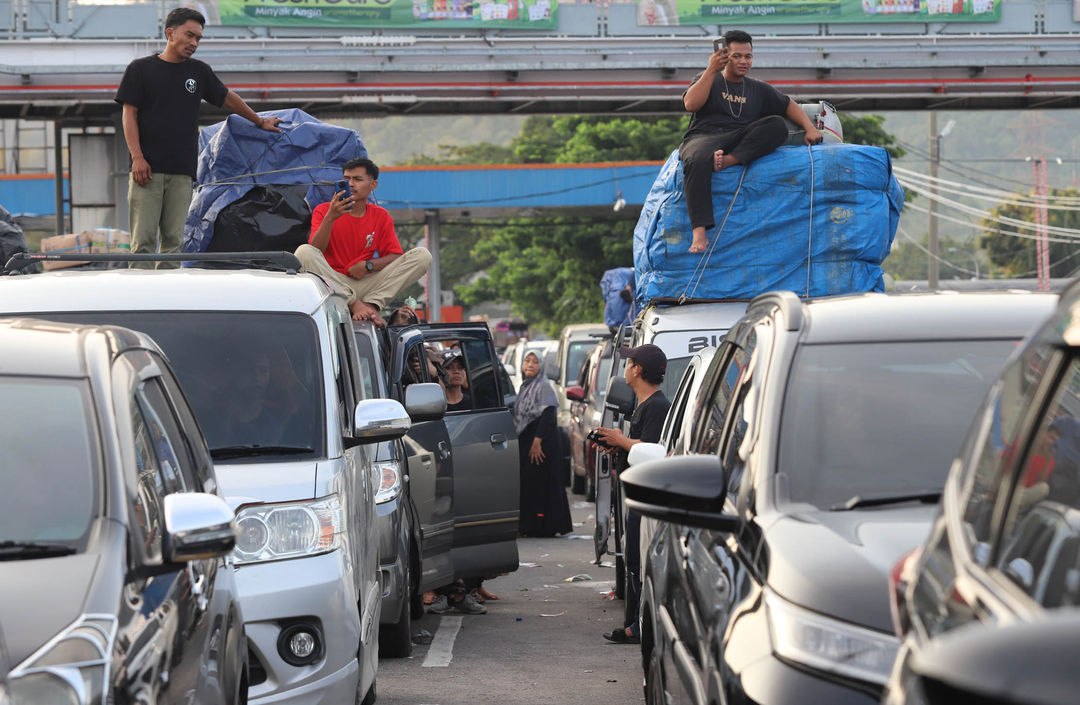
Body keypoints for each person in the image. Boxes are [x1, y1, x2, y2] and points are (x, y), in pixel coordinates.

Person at [114, 7, 282, 269]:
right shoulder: (140, 69)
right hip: (146, 171)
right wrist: (137, 158)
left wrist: (259, 121)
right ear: (170, 33)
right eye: (189, 35)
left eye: (198, 39)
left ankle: (168, 303)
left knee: (173, 244)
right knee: (143, 244)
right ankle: (142, 303)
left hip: (183, 172)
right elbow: (129, 114)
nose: (194, 43)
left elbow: (227, 97)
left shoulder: (199, 72)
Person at [680, 30, 823, 254]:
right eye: (737, 56)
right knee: (697, 158)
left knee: (776, 125)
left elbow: (789, 105)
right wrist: (711, 70)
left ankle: (728, 161)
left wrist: (810, 127)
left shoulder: (757, 88)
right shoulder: (708, 77)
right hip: (704, 137)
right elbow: (690, 104)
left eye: (748, 56)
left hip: (740, 138)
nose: (743, 61)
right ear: (724, 54)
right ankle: (699, 231)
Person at [594, 343, 671, 645]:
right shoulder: (644, 404)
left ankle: (638, 627)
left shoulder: (657, 406)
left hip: (646, 497)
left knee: (639, 563)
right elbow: (638, 447)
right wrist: (618, 445)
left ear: (637, 369)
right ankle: (633, 623)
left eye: (629, 363)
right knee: (632, 560)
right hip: (634, 493)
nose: (625, 368)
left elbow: (650, 452)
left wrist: (622, 440)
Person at [295, 157, 432, 326]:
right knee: (303, 252)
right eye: (346, 179)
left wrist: (369, 265)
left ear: (372, 185)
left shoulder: (380, 216)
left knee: (422, 255)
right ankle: (355, 304)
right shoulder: (324, 211)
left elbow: (395, 256)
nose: (351, 184)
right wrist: (330, 218)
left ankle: (371, 305)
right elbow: (315, 251)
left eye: (357, 179)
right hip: (332, 284)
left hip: (365, 284)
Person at [514, 351, 573, 538]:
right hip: (528, 441)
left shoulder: (545, 387)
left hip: (542, 443)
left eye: (535, 362)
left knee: (541, 484)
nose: (530, 365)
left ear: (541, 366)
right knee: (530, 484)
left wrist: (537, 441)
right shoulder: (525, 386)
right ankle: (530, 524)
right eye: (527, 361)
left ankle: (545, 526)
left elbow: (548, 416)